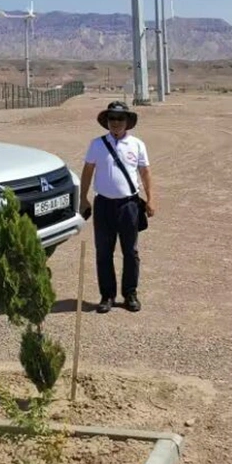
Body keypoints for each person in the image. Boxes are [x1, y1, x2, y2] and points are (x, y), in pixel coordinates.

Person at [79, 101, 155, 314]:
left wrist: (151, 199)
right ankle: (107, 295)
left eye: (120, 118)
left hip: (129, 205)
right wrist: (84, 199)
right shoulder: (97, 144)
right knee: (104, 252)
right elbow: (87, 171)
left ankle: (130, 293)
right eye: (112, 118)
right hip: (103, 204)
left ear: (128, 122)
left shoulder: (137, 144)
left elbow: (145, 173)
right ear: (107, 121)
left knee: (130, 252)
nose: (116, 122)